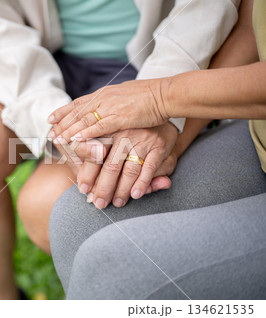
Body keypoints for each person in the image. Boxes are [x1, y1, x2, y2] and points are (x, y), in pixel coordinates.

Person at [0, 0, 240, 299]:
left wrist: (157, 103)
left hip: (157, 62)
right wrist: (60, 124)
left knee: (50, 205)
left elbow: (205, 11)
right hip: (36, 58)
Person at [48, 0, 266, 299]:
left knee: (117, 266)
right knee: (76, 216)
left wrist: (160, 96)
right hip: (258, 139)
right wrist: (172, 135)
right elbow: (251, 31)